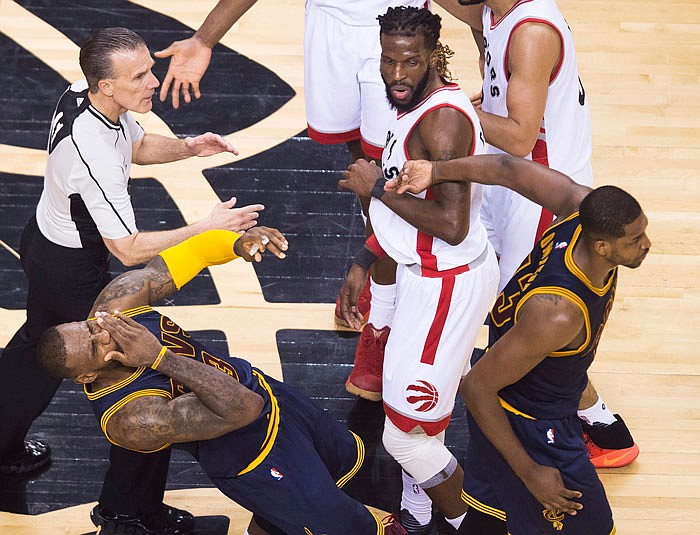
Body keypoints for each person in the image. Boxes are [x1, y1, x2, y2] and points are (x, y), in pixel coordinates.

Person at [0, 27, 263, 535]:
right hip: (74, 267)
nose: (153, 81)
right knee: (136, 383)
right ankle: (128, 515)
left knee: (37, 342)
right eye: (139, 75)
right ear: (105, 84)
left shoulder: (84, 98)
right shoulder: (91, 150)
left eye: (150, 67)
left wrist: (188, 148)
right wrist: (206, 228)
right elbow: (127, 248)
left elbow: (136, 148)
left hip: (47, 241)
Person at [36, 225, 407, 535]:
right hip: (254, 454)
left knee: (345, 464)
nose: (104, 332)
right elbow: (243, 409)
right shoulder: (131, 418)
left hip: (269, 394)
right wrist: (157, 356)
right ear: (87, 375)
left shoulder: (113, 308)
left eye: (90, 325)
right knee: (341, 526)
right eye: (96, 346)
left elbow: (185, 257)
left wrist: (235, 242)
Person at [154, 0, 433, 405]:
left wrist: (493, 38)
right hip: (329, 27)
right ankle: (378, 272)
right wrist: (204, 38)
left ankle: (383, 323)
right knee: (360, 162)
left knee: (390, 173)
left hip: (394, 26)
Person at [392, 153, 651, 534]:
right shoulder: (558, 313)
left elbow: (506, 170)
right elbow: (477, 387)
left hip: (531, 383)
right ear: (602, 248)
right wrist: (530, 472)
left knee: (498, 518)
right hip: (531, 427)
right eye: (635, 240)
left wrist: (437, 171)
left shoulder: (580, 208)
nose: (648, 244)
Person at [438, 0, 638, 469]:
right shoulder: (490, 8)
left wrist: (444, 102)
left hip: (541, 194)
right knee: (468, 272)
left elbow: (519, 137)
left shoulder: (530, 33)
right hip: (511, 182)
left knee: (525, 324)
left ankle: (599, 425)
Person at [337, 7, 499, 533]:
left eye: (409, 62)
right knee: (417, 411)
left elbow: (450, 224)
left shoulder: (442, 121)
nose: (397, 74)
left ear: (433, 56)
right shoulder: (419, 104)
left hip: (444, 284)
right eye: (388, 61)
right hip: (422, 274)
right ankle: (423, 503)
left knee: (403, 435)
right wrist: (366, 258)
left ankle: (461, 523)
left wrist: (374, 189)